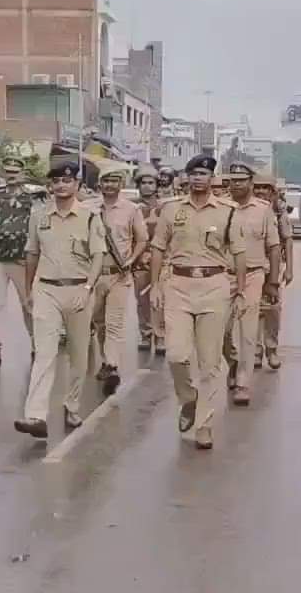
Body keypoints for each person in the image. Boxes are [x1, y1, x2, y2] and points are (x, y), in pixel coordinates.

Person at [150, 154, 246, 450]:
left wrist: (240, 291)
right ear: (186, 178)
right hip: (178, 284)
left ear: (212, 179)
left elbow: (239, 253)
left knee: (209, 362)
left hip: (214, 285)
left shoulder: (228, 212)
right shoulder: (171, 209)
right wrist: (155, 286)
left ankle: (204, 425)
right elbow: (158, 247)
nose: (197, 179)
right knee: (175, 354)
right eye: (193, 174)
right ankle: (188, 398)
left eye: (203, 174)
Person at [13, 161, 106, 439]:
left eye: (67, 181)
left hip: (78, 289)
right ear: (50, 186)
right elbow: (32, 253)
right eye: (56, 181)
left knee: (78, 354)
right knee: (44, 353)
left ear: (77, 185)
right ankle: (36, 415)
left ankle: (72, 404)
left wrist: (88, 287)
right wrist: (29, 291)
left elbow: (98, 256)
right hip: (46, 290)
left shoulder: (89, 217)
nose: (61, 186)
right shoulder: (39, 216)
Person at [221, 162, 281, 405]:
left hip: (254, 275)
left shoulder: (264, 210)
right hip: (224, 276)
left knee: (248, 331)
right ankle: (233, 362)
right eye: (233, 180)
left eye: (242, 180)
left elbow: (274, 247)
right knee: (221, 330)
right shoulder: (221, 207)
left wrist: (273, 282)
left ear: (250, 182)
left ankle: (243, 383)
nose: (237, 184)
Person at [90, 168, 148, 396]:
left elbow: (142, 239)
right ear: (99, 184)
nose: (109, 185)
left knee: (114, 322)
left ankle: (112, 365)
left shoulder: (132, 209)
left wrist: (131, 260)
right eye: (105, 181)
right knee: (99, 322)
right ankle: (106, 359)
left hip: (119, 275)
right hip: (94, 275)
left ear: (121, 184)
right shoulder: (88, 208)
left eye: (114, 181)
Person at [0, 155, 38, 369]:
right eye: (8, 172)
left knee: (28, 304)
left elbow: (38, 227)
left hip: (22, 259)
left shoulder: (32, 199)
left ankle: (37, 342)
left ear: (22, 174)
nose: (11, 176)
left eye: (15, 172)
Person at [256, 175, 295, 369]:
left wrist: (289, 269)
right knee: (252, 310)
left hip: (272, 268)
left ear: (272, 192)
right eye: (257, 187)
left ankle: (271, 350)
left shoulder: (278, 213)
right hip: (251, 267)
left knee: (272, 310)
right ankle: (255, 352)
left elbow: (287, 240)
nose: (260, 191)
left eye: (265, 188)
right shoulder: (246, 209)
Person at [132, 167, 163, 353]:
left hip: (162, 258)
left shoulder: (164, 207)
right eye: (143, 183)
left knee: (161, 299)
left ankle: (160, 336)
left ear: (157, 185)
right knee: (142, 300)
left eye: (151, 183)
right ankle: (145, 334)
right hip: (140, 260)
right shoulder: (132, 207)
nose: (147, 186)